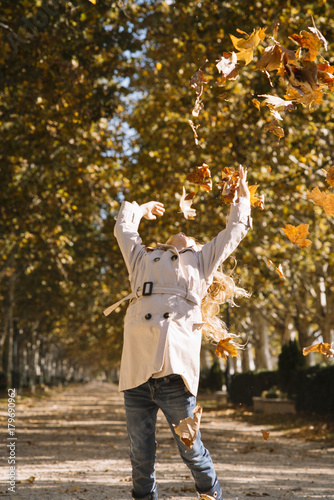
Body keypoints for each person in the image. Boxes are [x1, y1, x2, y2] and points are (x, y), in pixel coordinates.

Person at [104, 165, 252, 500]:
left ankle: (212, 495)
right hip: (137, 375)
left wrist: (241, 197)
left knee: (191, 450)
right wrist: (140, 209)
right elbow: (123, 230)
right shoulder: (142, 259)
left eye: (190, 239)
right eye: (175, 234)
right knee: (141, 456)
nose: (183, 233)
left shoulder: (201, 261)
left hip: (175, 374)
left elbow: (234, 231)